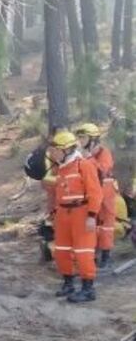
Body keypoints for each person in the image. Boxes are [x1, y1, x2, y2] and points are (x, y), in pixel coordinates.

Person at [48, 131, 103, 302]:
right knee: (61, 251)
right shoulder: (62, 168)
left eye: (56, 149)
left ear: (66, 150)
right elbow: (60, 193)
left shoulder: (84, 165)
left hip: (82, 213)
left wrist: (92, 216)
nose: (53, 153)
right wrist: (55, 213)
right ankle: (68, 284)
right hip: (63, 214)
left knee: (83, 251)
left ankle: (88, 289)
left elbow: (96, 193)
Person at [75, 123, 117, 269]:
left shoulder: (104, 153)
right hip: (91, 194)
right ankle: (91, 255)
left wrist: (89, 159)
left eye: (83, 137)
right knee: (92, 225)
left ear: (93, 139)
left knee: (106, 226)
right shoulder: (82, 155)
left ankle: (106, 255)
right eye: (79, 137)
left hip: (106, 194)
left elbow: (103, 170)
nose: (80, 140)